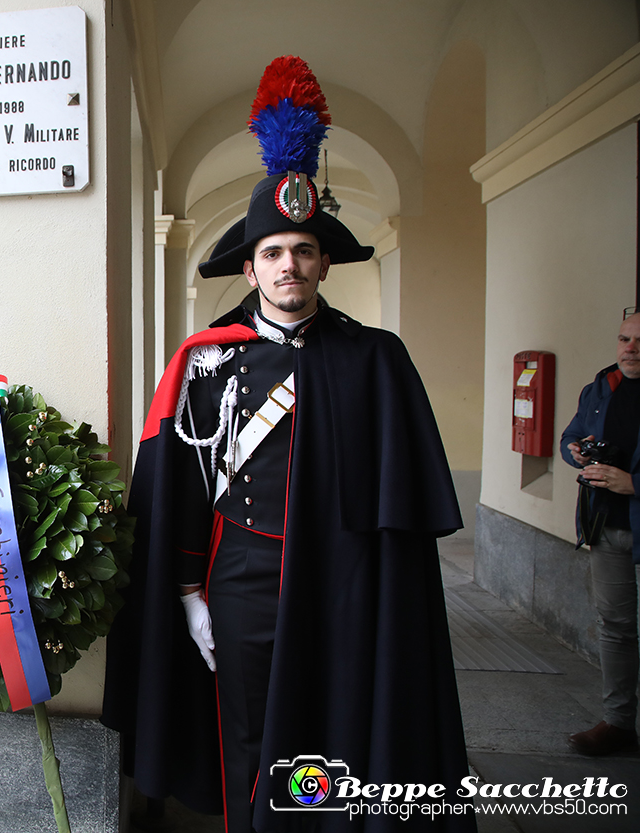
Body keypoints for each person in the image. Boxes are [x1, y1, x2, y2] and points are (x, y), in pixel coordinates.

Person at [101, 57, 473, 831]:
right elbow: (180, 488)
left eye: (302, 250)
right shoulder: (205, 359)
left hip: (345, 580)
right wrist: (188, 594)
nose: (289, 265)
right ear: (250, 266)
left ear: (323, 262)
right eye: (273, 252)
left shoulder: (375, 360)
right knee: (250, 738)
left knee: (332, 741)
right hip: (242, 579)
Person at [560, 312, 640, 756]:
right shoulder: (601, 388)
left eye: (639, 341)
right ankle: (619, 722)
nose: (630, 348)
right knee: (616, 628)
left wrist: (634, 484)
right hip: (607, 526)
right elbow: (571, 435)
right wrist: (575, 452)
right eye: (624, 339)